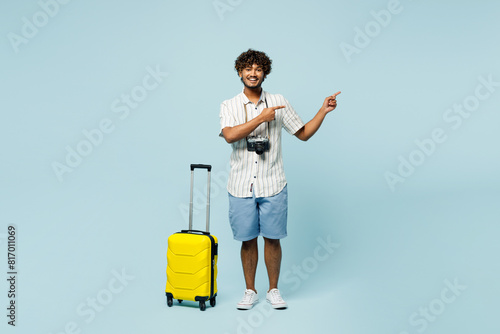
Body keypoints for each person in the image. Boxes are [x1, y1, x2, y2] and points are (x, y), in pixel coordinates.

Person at [219, 49, 340, 310]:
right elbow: (229, 135)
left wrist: (323, 111)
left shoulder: (279, 101)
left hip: (273, 183)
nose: (253, 73)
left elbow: (304, 133)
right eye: (248, 69)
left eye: (258, 69)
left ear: (265, 73)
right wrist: (261, 118)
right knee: (247, 240)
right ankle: (250, 291)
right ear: (240, 72)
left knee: (273, 239)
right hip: (240, 185)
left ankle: (273, 290)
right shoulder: (229, 105)